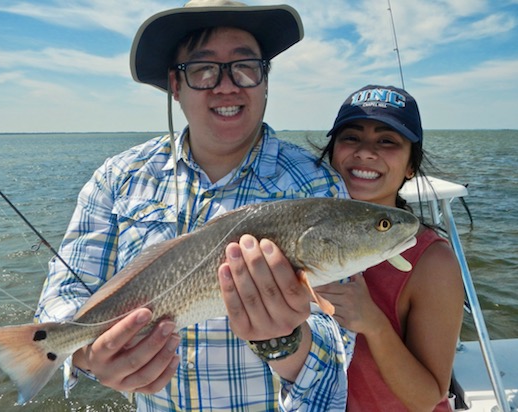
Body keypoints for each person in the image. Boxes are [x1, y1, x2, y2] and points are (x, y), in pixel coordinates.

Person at [35, 1, 352, 410]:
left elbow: (343, 341)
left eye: (246, 66)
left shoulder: (317, 185)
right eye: (202, 69)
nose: (226, 85)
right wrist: (85, 354)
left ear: (265, 80)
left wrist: (287, 341)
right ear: (175, 85)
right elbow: (65, 286)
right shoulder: (118, 176)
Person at [312, 85, 464, 411]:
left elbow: (427, 398)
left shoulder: (432, 262)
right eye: (351, 137)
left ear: (411, 166)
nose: (366, 152)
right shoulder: (304, 232)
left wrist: (374, 323)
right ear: (333, 150)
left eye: (387, 141)